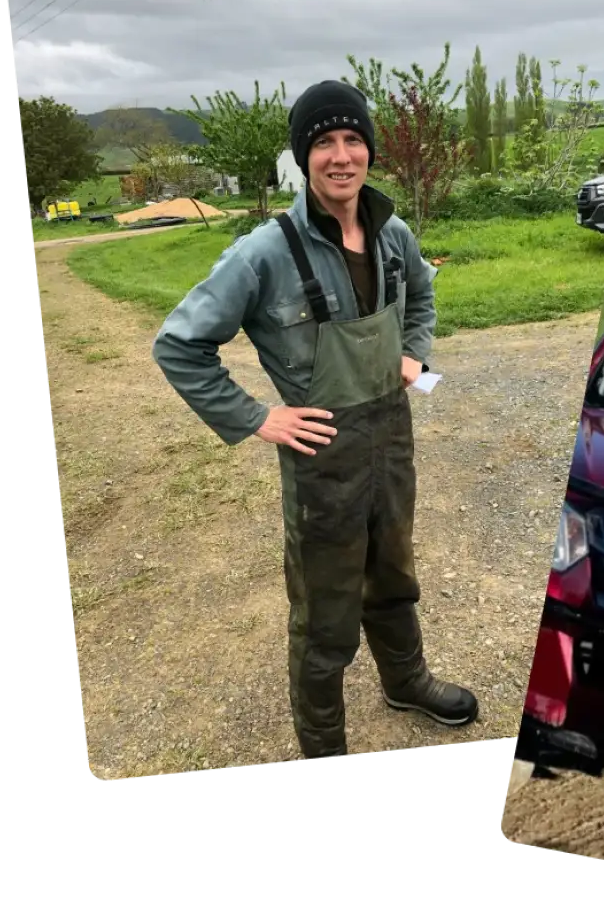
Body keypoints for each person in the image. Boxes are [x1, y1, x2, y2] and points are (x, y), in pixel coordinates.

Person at [152, 80, 479, 766]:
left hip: (392, 440)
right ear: (304, 157)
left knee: (393, 575)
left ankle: (405, 682)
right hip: (322, 455)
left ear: (368, 149)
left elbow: (421, 293)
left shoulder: (393, 234)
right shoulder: (262, 253)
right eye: (323, 142)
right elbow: (179, 345)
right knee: (326, 613)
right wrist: (255, 417)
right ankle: (324, 746)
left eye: (352, 139)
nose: (340, 155)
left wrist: (415, 353)